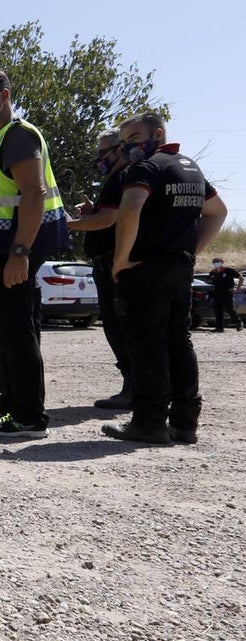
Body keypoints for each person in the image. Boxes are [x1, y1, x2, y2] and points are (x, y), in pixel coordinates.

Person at [103, 113, 228, 444]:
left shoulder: (146, 168)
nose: (128, 146)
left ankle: (149, 421)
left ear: (157, 134)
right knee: (179, 342)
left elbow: (130, 209)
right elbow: (218, 211)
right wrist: (189, 250)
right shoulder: (190, 167)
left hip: (145, 268)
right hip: (178, 268)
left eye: (134, 137)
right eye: (124, 140)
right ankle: (185, 423)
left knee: (147, 343)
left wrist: (121, 259)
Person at [0, 69, 69, 438]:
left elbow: (34, 194)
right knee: (3, 331)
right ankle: (8, 404)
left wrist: (20, 251)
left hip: (11, 251)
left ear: (3, 96)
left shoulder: (19, 136)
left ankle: (28, 416)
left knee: (16, 331)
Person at [67, 128, 133, 409]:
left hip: (113, 263)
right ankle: (135, 386)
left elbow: (108, 220)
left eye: (104, 151)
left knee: (121, 326)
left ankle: (135, 388)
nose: (100, 158)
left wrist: (68, 224)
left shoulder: (122, 177)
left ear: (120, 148)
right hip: (108, 261)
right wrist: (93, 211)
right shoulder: (118, 179)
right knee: (117, 325)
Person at [207, 257, 243, 332]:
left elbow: (241, 278)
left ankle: (238, 322)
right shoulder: (213, 272)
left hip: (227, 292)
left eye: (218, 262)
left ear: (222, 262)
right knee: (218, 310)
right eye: (215, 262)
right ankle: (219, 328)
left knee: (229, 308)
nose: (216, 263)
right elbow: (210, 281)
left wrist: (238, 289)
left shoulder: (229, 270)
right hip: (217, 293)